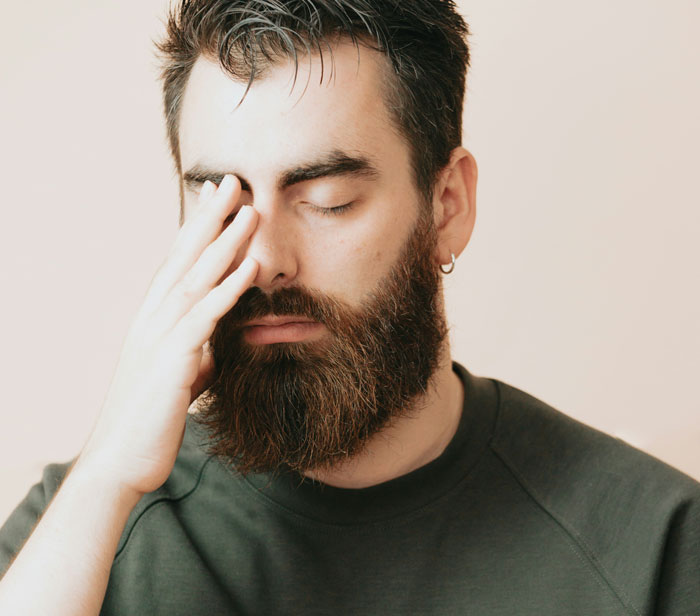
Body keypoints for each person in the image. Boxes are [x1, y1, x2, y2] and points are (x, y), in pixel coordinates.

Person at [0, 1, 698, 614]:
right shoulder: (85, 528)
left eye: (327, 200)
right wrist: (108, 478)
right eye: (224, 201)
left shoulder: (653, 545)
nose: (265, 257)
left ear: (446, 205)